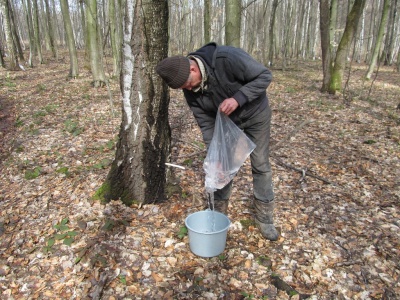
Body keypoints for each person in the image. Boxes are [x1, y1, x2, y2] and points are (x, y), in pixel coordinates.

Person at [156, 42, 278, 241]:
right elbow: (205, 123)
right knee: (221, 165)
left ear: (193, 68)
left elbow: (264, 76)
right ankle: (218, 211)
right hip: (228, 124)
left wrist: (238, 98)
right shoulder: (190, 89)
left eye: (188, 83)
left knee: (261, 164)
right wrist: (215, 153)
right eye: (183, 88)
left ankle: (265, 218)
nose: (188, 89)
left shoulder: (226, 58)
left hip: (256, 115)